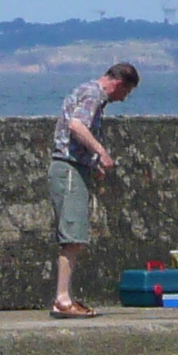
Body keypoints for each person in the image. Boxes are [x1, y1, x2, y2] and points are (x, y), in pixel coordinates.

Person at [46, 61, 139, 318]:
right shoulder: (94, 94)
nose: (123, 99)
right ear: (119, 83)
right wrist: (101, 152)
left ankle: (64, 297)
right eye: (126, 92)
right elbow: (77, 126)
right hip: (69, 169)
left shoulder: (86, 91)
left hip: (74, 166)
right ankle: (62, 299)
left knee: (73, 234)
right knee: (72, 235)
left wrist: (92, 163)